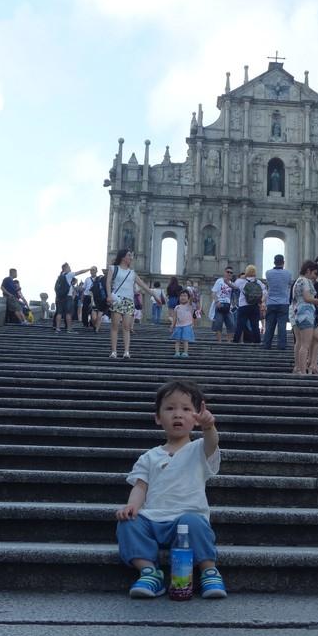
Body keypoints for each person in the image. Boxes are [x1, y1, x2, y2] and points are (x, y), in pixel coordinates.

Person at [115, 378, 227, 599]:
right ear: (158, 418)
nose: (178, 414)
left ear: (195, 417)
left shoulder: (198, 449)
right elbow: (140, 486)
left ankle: (209, 570)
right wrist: (132, 506)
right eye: (170, 408)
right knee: (128, 523)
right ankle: (149, 572)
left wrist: (209, 426)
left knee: (195, 523)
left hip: (186, 518)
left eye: (186, 409)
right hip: (152, 518)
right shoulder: (149, 456)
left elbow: (212, 442)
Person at [106, 249, 156, 359]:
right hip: (117, 299)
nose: (131, 258)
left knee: (126, 326)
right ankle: (114, 351)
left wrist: (155, 295)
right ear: (123, 257)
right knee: (115, 326)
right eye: (129, 255)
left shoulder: (132, 273)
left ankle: (126, 351)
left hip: (129, 300)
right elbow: (108, 283)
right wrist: (109, 295)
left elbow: (143, 285)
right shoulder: (113, 268)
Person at [289, 260, 318, 375]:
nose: (315, 277)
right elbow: (306, 298)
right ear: (308, 271)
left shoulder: (298, 281)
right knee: (305, 344)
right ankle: (302, 370)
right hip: (305, 314)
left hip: (303, 314)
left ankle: (312, 365)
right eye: (315, 273)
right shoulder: (304, 281)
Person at [263, 253, 292, 350]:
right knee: (282, 326)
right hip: (283, 302)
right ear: (283, 262)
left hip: (271, 302)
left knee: (269, 326)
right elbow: (288, 284)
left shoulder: (268, 273)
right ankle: (282, 346)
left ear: (274, 262)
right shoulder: (288, 273)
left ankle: (266, 345)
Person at [54, 262, 91, 333]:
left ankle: (57, 328)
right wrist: (89, 269)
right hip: (68, 297)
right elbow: (80, 272)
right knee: (68, 313)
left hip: (59, 297)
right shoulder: (69, 274)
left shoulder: (60, 275)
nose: (70, 268)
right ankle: (69, 329)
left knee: (59, 313)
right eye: (69, 267)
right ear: (65, 268)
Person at [233, 265, 264, 344]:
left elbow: (234, 285)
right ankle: (257, 342)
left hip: (243, 306)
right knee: (255, 326)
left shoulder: (241, 281)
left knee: (240, 325)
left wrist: (243, 277)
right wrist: (260, 301)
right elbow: (265, 292)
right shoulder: (258, 282)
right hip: (254, 306)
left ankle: (235, 341)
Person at [211, 267, 235, 343]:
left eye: (231, 273)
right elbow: (213, 292)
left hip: (228, 305)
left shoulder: (232, 284)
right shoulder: (219, 281)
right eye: (228, 272)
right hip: (220, 303)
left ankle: (229, 341)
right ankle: (219, 341)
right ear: (224, 272)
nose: (229, 274)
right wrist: (217, 302)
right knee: (218, 323)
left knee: (231, 323)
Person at [171, 289, 195, 358]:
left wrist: (192, 324)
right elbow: (174, 317)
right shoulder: (177, 307)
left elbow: (193, 315)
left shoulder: (190, 306)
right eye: (181, 296)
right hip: (178, 326)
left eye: (185, 296)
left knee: (185, 340)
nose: (183, 297)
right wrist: (172, 325)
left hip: (187, 325)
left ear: (188, 297)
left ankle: (185, 352)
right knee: (177, 340)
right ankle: (177, 352)